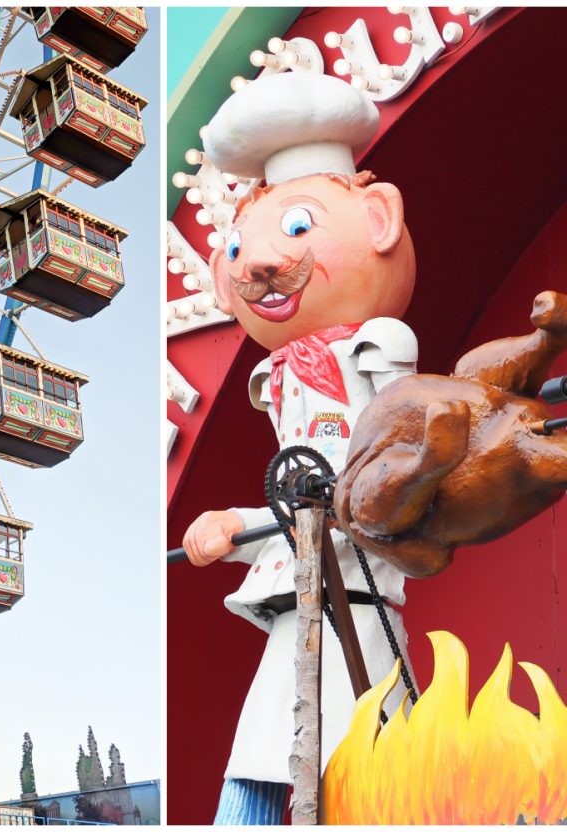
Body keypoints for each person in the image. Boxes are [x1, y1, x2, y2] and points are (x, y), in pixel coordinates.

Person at [179, 72, 417, 824]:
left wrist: (321, 509)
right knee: (260, 762)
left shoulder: (379, 347)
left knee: (367, 774)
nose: (257, 266)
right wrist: (232, 525)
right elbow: (295, 495)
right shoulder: (277, 381)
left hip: (361, 605)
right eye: (240, 249)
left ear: (376, 219)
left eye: (300, 229)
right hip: (293, 607)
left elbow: (397, 453)